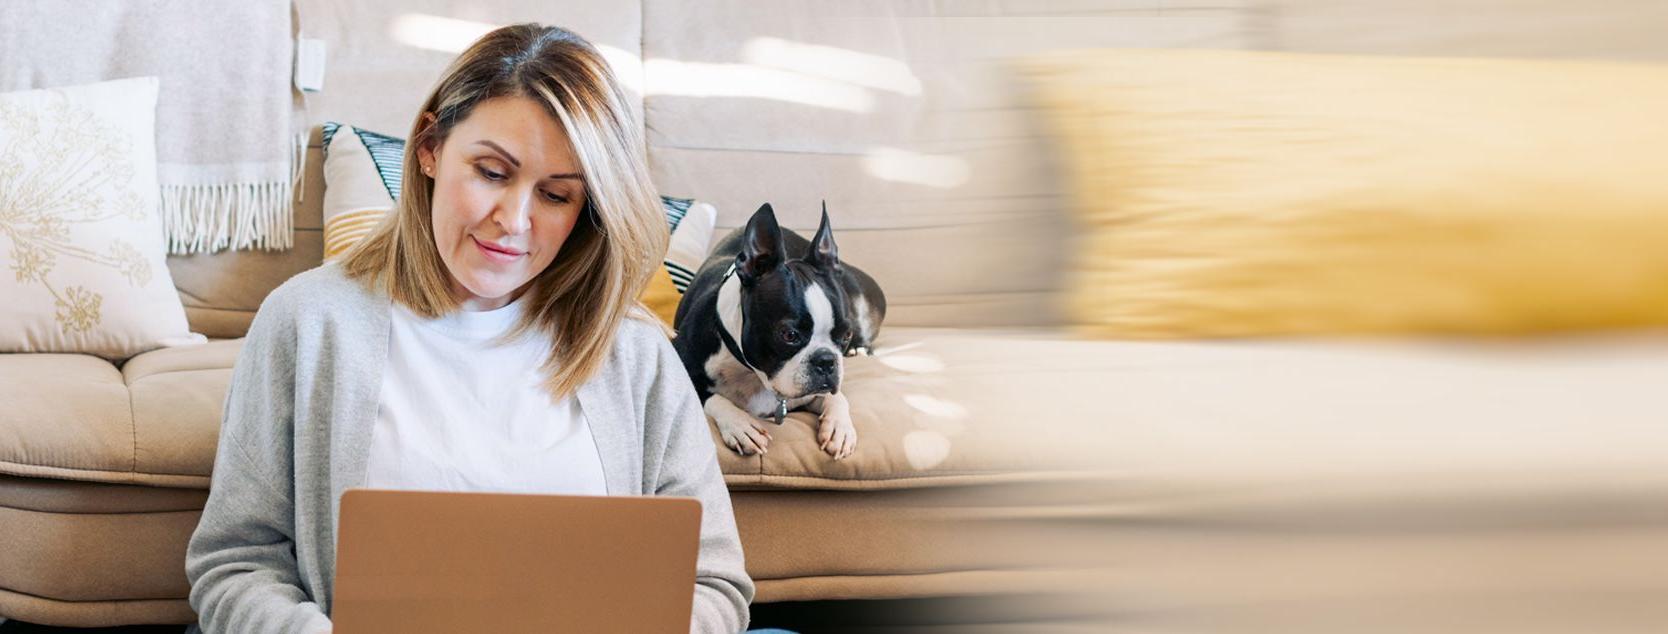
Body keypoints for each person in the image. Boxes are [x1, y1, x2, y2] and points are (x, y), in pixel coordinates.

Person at [184, 24, 765, 633]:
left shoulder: (634, 352)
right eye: (491, 172)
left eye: (555, 195)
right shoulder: (307, 322)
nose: (513, 220)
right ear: (430, 148)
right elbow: (236, 563)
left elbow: (713, 584)